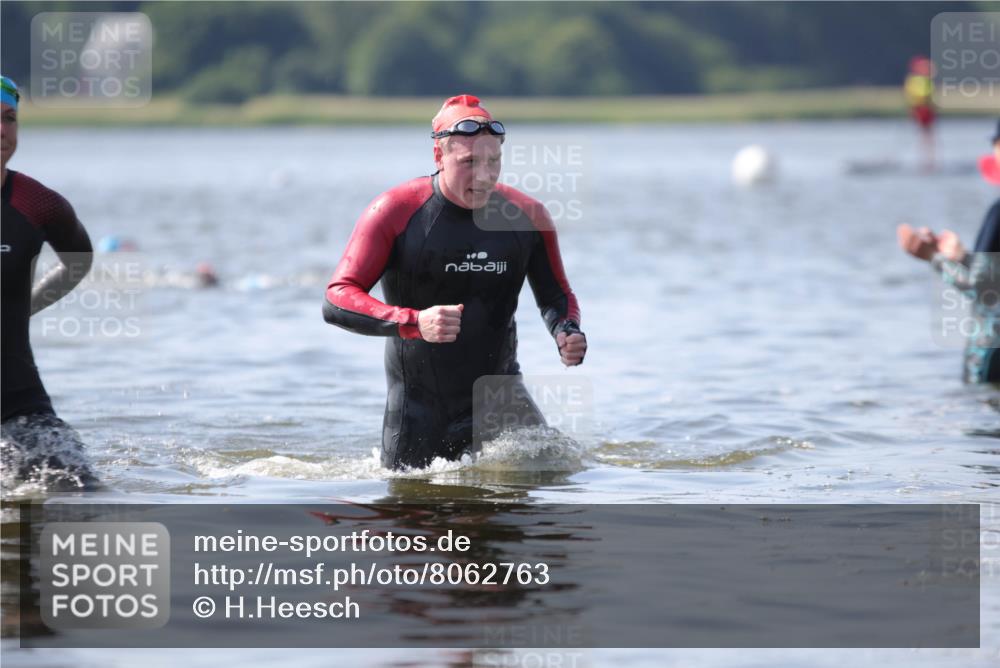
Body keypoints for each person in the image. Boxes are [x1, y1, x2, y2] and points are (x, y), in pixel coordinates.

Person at [322, 94, 587, 469]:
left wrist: (566, 330)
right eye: (469, 163)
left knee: (556, 483)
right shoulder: (395, 211)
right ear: (438, 157)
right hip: (419, 408)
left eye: (494, 162)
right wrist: (414, 322)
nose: (484, 176)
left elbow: (556, 295)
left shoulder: (527, 217)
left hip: (502, 399)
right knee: (414, 515)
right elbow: (337, 299)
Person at [1, 76, 98, 489]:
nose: (3, 131)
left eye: (10, 119)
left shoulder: (38, 203)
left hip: (21, 406)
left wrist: (29, 305)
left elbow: (79, 260)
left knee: (81, 490)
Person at [897, 117, 1000, 383]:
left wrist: (933, 257)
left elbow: (982, 289)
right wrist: (963, 257)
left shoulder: (998, 213)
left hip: (991, 360)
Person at [904, 56, 936, 171]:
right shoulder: (919, 80)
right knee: (926, 136)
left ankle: (928, 160)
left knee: (927, 136)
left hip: (923, 110)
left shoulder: (918, 79)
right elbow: (922, 96)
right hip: (922, 110)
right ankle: (927, 161)